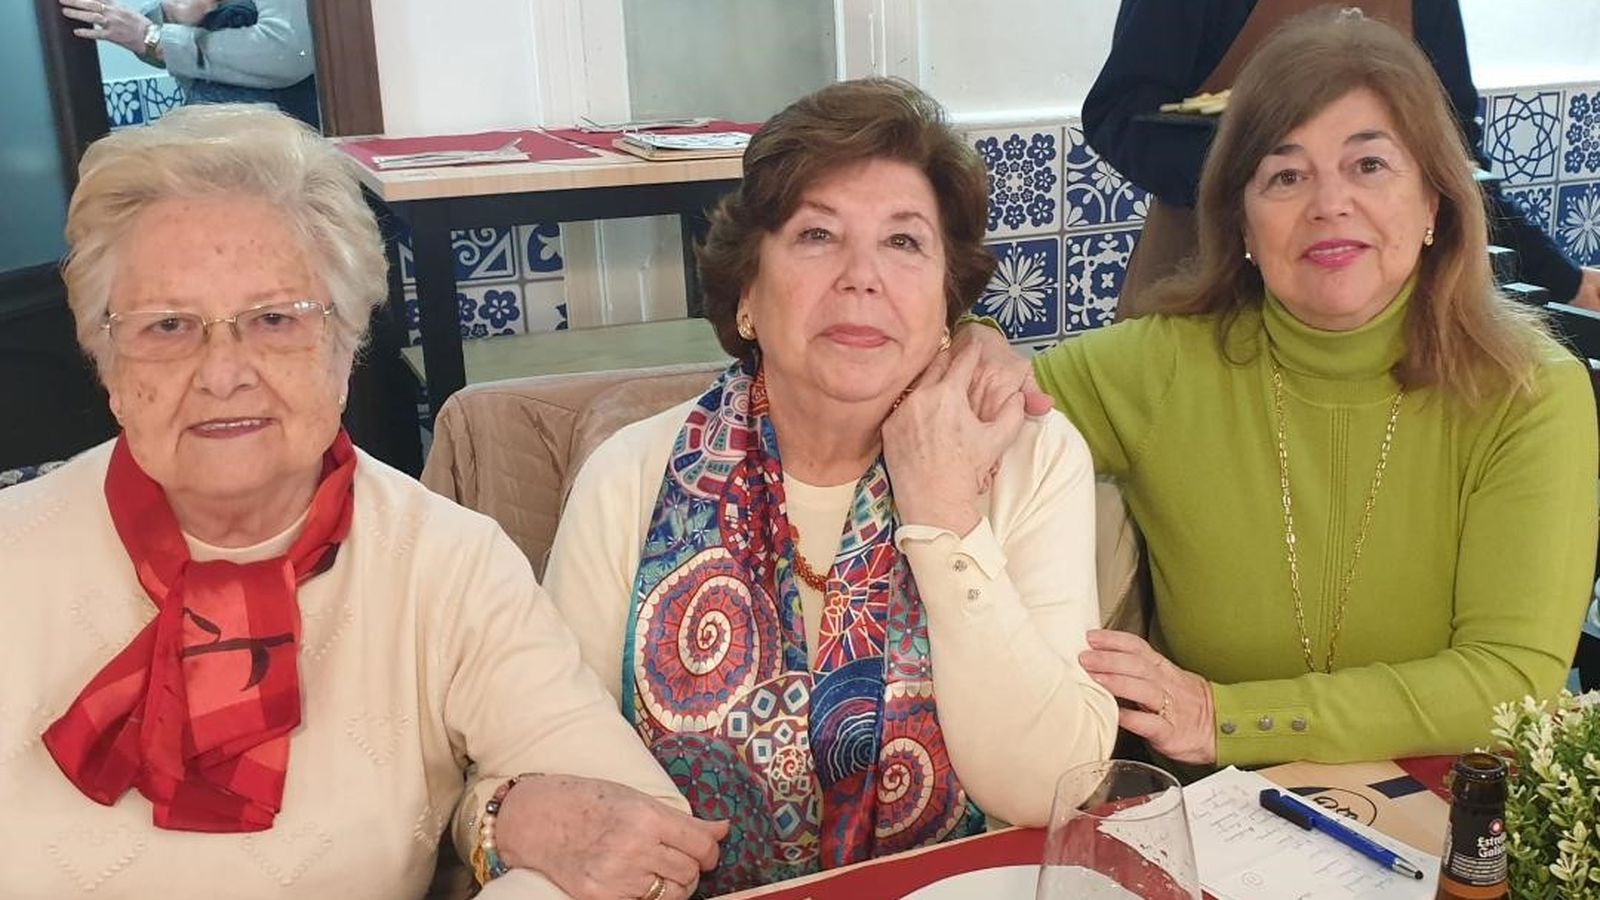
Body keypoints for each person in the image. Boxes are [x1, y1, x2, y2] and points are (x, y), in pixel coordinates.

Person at [0, 105, 725, 900]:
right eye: (168, 326)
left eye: (275, 320)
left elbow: (635, 834)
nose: (222, 373)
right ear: (106, 362)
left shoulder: (444, 563)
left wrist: (495, 822)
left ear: (348, 344)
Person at [960, 9, 1597, 770]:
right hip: (1211, 825)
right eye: (1285, 175)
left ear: (1435, 201)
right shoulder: (1161, 366)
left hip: (1443, 817)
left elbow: (1508, 683)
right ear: (1242, 225)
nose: (1329, 204)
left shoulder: (1527, 391)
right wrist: (973, 339)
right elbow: (971, 403)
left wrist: (1224, 716)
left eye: (1370, 166)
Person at [543, 78, 1118, 894]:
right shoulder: (629, 478)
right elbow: (562, 774)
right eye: (816, 235)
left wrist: (945, 515)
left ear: (949, 297)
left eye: (905, 242)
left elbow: (1045, 785)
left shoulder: (1026, 456)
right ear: (746, 292)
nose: (861, 277)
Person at [1084, 0, 1600, 319]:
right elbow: (1116, 114)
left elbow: (1455, 155)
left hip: (1373, 321)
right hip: (1204, 295)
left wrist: (1566, 281)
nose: (1330, 205)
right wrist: (1263, 179)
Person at [59, 0, 321, 127]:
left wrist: (152, 38)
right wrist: (172, 16)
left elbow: (287, 52)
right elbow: (167, 55)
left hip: (279, 152)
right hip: (221, 141)